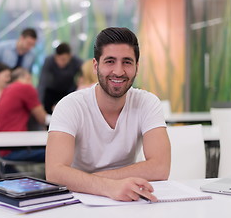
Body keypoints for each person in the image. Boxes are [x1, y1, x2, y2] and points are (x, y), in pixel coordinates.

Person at [45, 27, 171, 202]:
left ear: (137, 67)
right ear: (96, 66)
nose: (118, 71)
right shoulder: (70, 105)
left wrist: (94, 180)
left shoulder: (147, 103)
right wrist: (108, 186)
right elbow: (54, 173)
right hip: (78, 201)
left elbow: (160, 167)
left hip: (129, 199)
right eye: (110, 61)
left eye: (127, 62)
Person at [0, 68, 51, 173]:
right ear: (27, 77)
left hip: (3, 149)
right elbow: (42, 118)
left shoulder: (7, 89)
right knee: (59, 152)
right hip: (15, 149)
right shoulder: (25, 88)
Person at [38, 42, 83, 114]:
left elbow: (86, 72)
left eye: (63, 59)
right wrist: (39, 103)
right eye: (58, 59)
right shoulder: (49, 60)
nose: (60, 62)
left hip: (68, 91)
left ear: (70, 56)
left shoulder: (77, 62)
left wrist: (81, 79)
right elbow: (42, 82)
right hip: (52, 91)